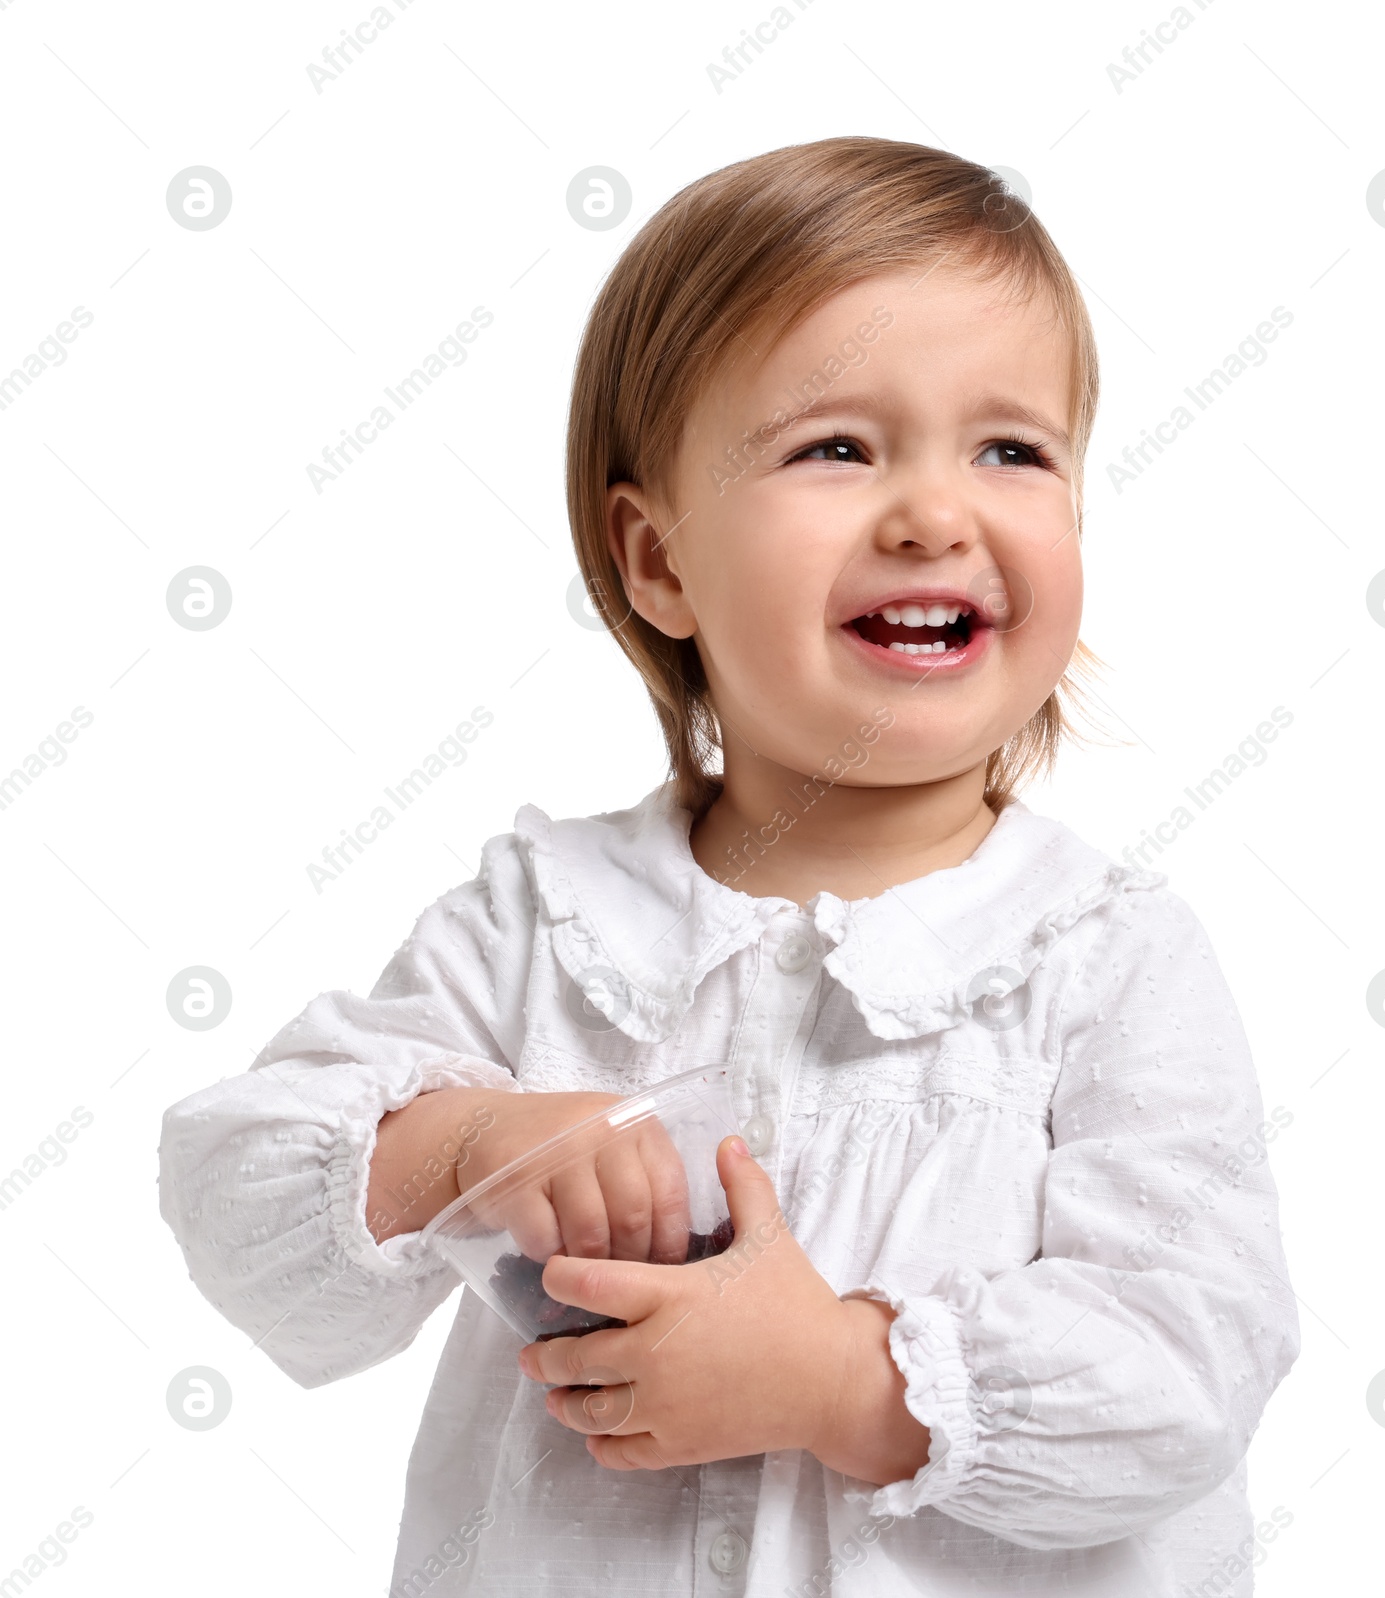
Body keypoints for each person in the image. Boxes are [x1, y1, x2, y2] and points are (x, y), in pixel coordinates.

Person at [159, 135, 1299, 1597]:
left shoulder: (1101, 957)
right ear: (659, 561)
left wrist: (842, 1376)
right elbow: (241, 1196)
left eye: (1011, 448)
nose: (935, 514)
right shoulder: (547, 927)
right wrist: (463, 1145)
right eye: (838, 446)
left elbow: (1192, 1358)